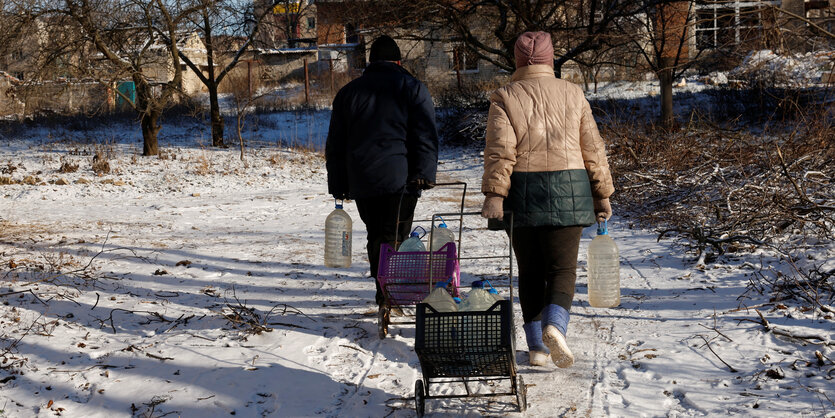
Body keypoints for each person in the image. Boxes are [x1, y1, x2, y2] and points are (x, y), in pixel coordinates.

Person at [480, 31, 614, 368]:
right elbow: (593, 150)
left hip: (522, 194)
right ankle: (555, 325)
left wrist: (495, 195)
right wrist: (602, 194)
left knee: (529, 271)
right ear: (550, 59)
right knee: (562, 270)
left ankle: (538, 349)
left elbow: (500, 152)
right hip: (571, 190)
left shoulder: (505, 96)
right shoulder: (573, 94)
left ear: (517, 60)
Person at [326, 35, 439, 307]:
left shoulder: (348, 93)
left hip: (362, 179)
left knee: (377, 234)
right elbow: (425, 134)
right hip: (402, 178)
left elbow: (335, 144)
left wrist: (338, 184)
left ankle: (386, 293)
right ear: (399, 61)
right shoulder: (412, 87)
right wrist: (424, 173)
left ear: (370, 62)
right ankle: (389, 294)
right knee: (395, 236)